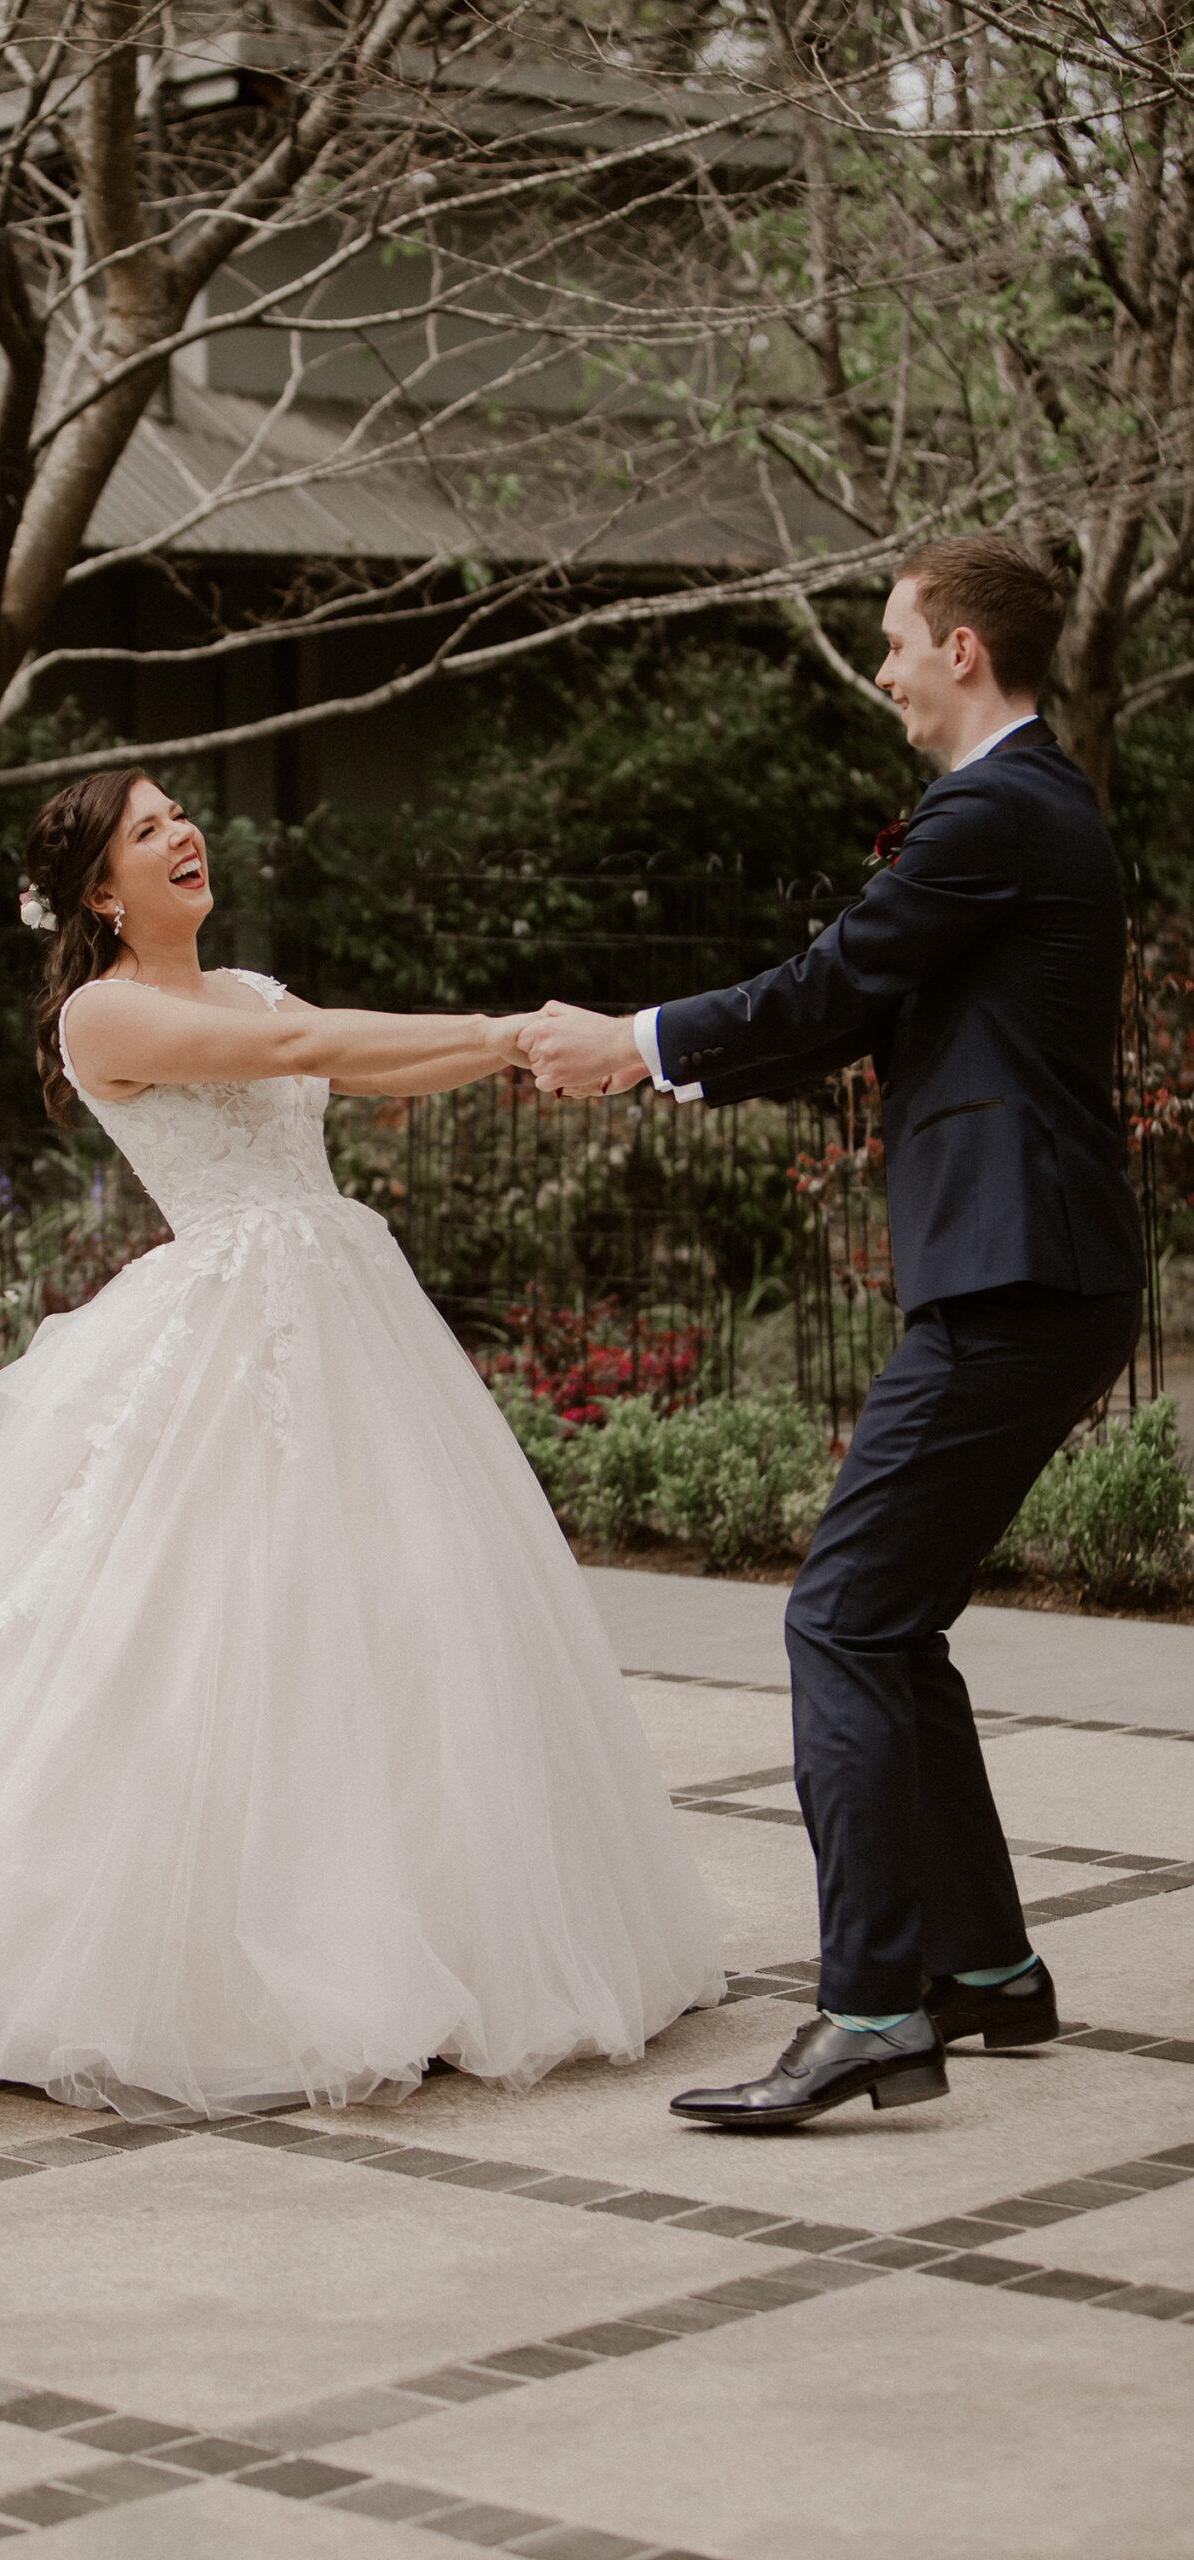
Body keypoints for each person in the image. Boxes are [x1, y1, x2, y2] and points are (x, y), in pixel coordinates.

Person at [0, 769, 722, 2120]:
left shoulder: (257, 987)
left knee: (385, 1612)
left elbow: (347, 1057)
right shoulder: (103, 1010)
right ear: (101, 891)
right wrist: (507, 1018)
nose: (182, 835)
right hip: (227, 1320)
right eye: (147, 831)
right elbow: (300, 1053)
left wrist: (511, 1052)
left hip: (342, 1311)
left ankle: (426, 1931)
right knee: (178, 1626)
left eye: (180, 816)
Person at [520, 534, 1144, 2129]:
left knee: (842, 1621)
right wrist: (658, 1064)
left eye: (892, 642)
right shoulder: (1028, 805)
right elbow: (863, 1006)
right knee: (891, 1617)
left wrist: (637, 1039)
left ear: (961, 650)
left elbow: (837, 975)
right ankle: (987, 1973)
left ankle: (873, 2007)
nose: (880, 671)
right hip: (1034, 1274)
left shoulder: (1000, 806)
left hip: (1017, 1283)